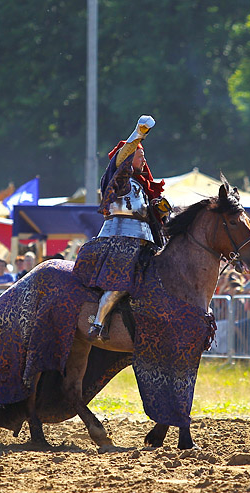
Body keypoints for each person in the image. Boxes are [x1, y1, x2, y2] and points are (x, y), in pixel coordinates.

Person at [73, 115, 169, 340]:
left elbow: (147, 216)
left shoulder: (142, 187)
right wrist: (138, 134)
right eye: (140, 154)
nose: (144, 159)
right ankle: (98, 322)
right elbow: (121, 157)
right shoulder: (119, 180)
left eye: (144, 155)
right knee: (122, 280)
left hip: (145, 241)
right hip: (119, 239)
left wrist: (160, 211)